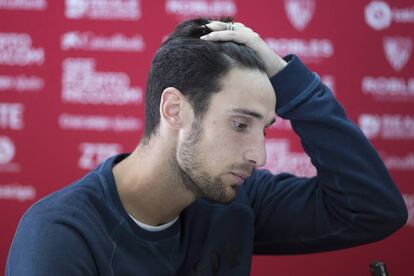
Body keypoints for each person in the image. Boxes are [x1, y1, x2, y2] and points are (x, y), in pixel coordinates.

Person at [6, 18, 407, 275]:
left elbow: (373, 210)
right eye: (240, 123)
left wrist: (290, 80)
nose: (260, 156)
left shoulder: (235, 200)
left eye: (264, 129)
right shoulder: (60, 235)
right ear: (175, 109)